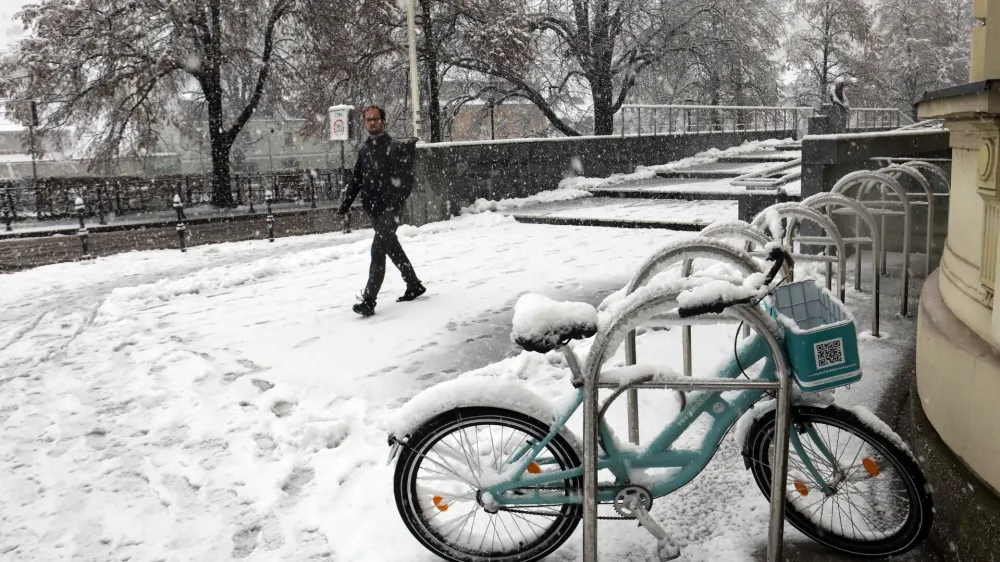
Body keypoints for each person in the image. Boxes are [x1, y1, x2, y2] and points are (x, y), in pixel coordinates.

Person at [337, 105, 426, 317]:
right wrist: (345, 204)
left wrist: (393, 203)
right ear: (365, 123)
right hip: (374, 210)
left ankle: (369, 300)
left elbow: (406, 180)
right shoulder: (364, 149)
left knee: (377, 251)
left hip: (390, 210)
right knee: (393, 249)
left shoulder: (394, 147)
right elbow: (357, 179)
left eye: (375, 119)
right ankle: (413, 284)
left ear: (383, 121)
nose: (372, 123)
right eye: (368, 120)